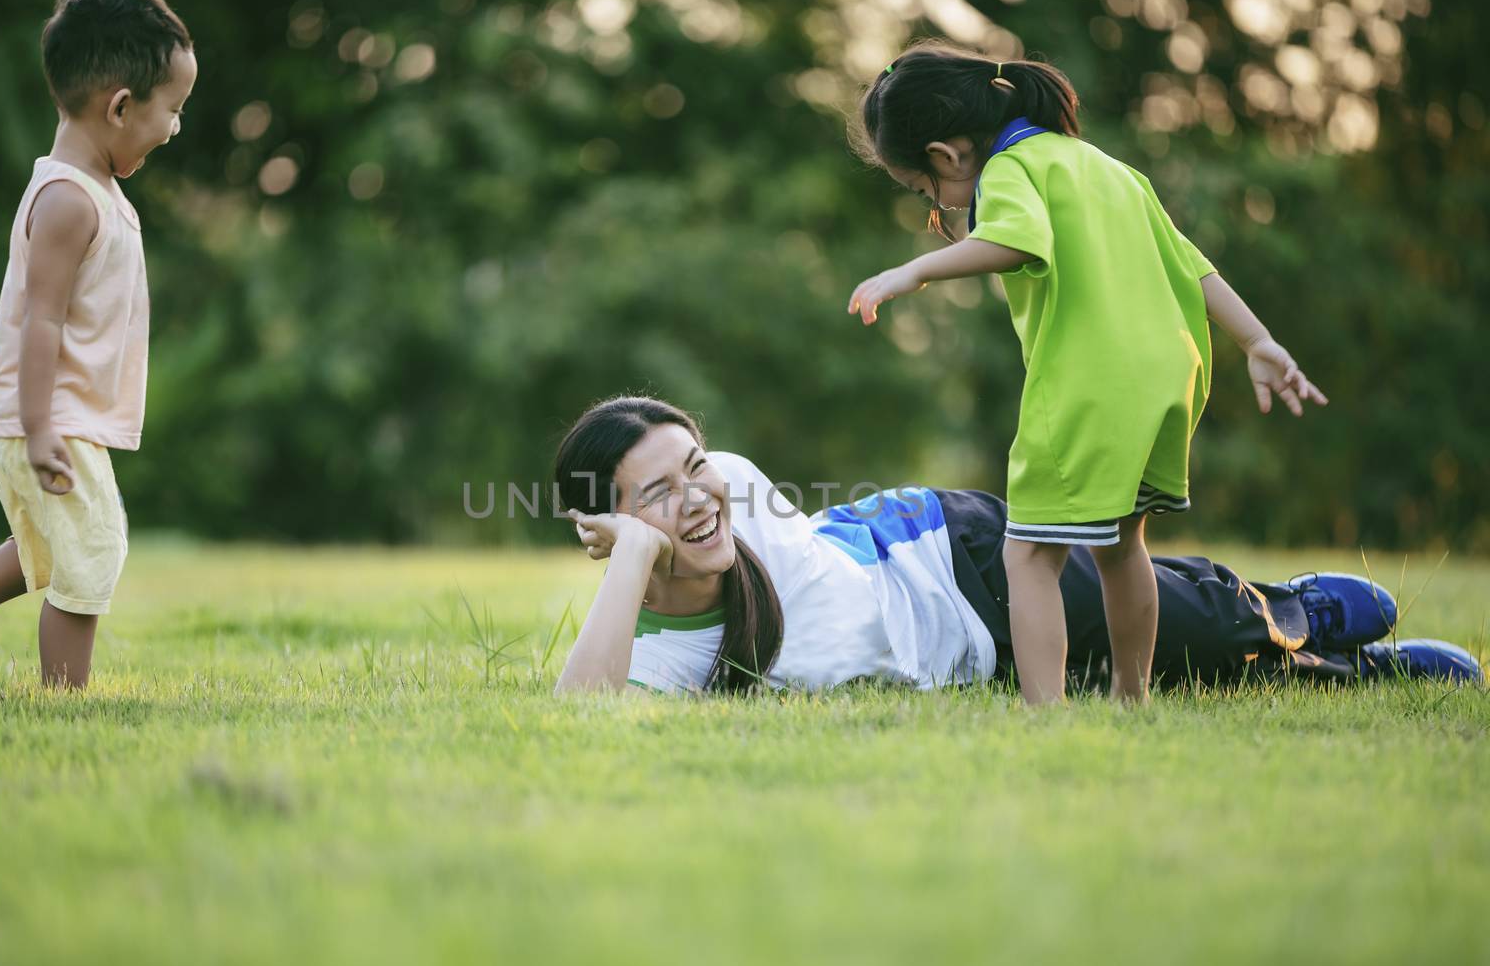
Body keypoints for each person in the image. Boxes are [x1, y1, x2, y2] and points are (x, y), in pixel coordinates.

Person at [844, 45, 1329, 706]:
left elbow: (1017, 240)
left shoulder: (1010, 167)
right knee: (1123, 546)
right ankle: (1132, 699)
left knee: (1029, 557)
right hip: (1166, 379)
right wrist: (1258, 340)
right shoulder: (1104, 165)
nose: (935, 203)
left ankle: (1046, 716)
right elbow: (1193, 265)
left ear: (947, 153)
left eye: (924, 190)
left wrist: (914, 270)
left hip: (1089, 385)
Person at [553, 396, 1481, 696]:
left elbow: (739, 499)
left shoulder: (740, 488)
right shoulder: (660, 653)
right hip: (976, 653)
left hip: (950, 556)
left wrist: (654, 522)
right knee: (1162, 676)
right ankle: (1357, 669)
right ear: (615, 521)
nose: (699, 497)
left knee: (1170, 625)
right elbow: (580, 712)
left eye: (697, 464)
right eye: (660, 492)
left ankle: (1291, 607)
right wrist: (635, 558)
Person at [0, 0, 197, 689]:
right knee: (94, 549)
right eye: (173, 110)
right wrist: (39, 428)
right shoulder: (68, 199)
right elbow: (42, 320)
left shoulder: (96, 191)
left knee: (48, 546)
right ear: (120, 106)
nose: (176, 127)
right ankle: (65, 698)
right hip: (44, 414)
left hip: (55, 414)